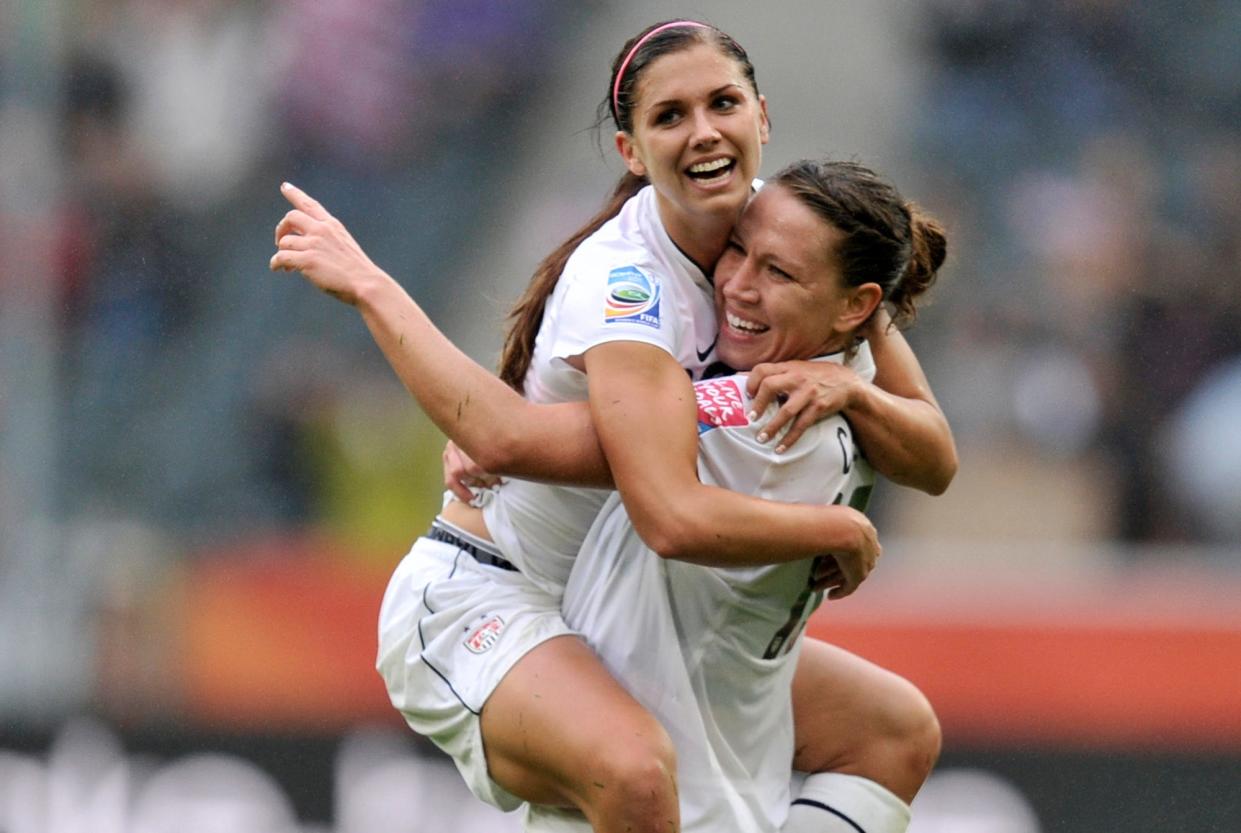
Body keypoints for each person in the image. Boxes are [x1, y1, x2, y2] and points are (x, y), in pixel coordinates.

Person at [270, 20, 953, 833]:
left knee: (892, 731)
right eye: (669, 116)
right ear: (631, 151)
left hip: (639, 614)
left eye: (722, 102)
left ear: (761, 117)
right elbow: (605, 481)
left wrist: (853, 395)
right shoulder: (630, 282)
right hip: (497, 594)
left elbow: (932, 456)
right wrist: (372, 287)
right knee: (631, 772)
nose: (702, 130)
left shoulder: (797, 241)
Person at [525, 158, 946, 833]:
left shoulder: (765, 401)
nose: (740, 285)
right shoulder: (819, 340)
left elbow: (935, 457)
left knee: (892, 728)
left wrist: (373, 291)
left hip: (658, 671)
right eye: (737, 253)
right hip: (644, 659)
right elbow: (935, 457)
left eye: (776, 272)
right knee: (895, 727)